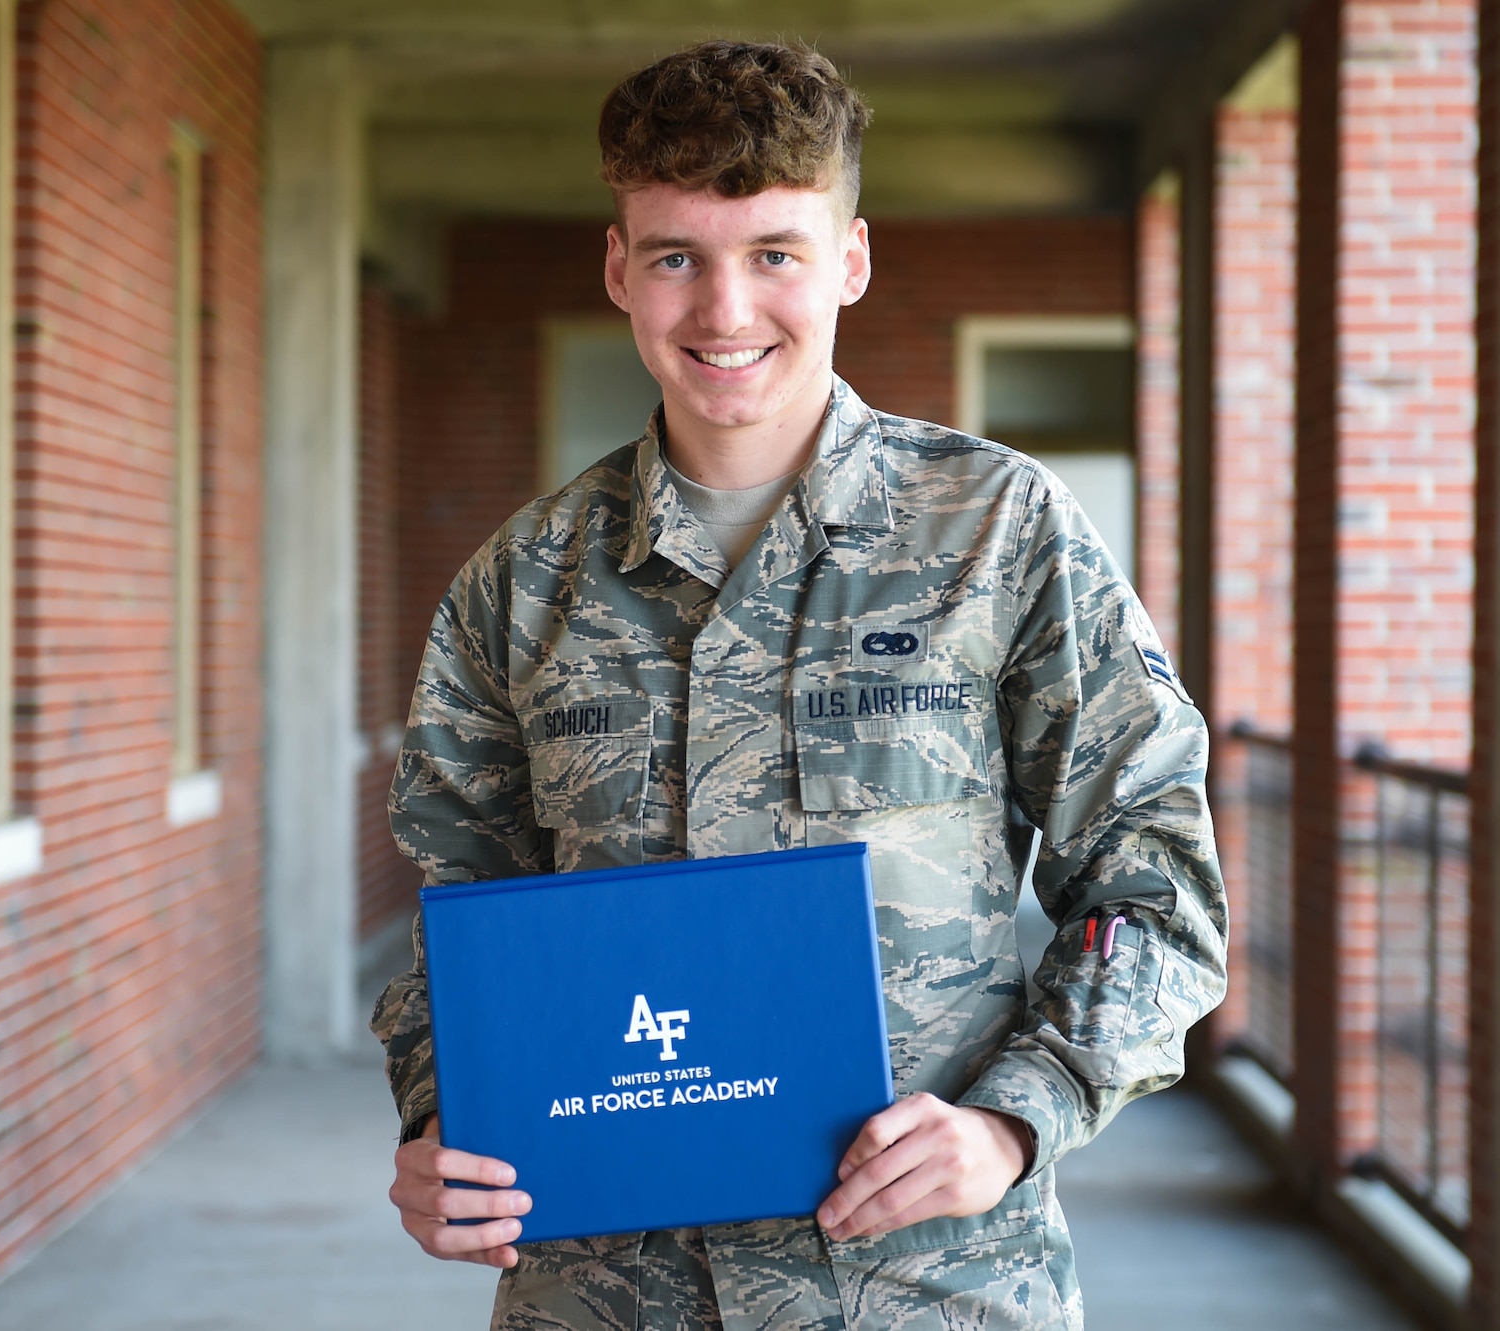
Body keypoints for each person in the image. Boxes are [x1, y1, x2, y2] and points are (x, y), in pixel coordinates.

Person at [372, 39, 1226, 1331]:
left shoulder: (997, 534)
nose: (724, 312)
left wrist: (1013, 1119)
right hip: (605, 1295)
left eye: (775, 253)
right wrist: (445, 1127)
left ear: (851, 261)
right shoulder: (522, 585)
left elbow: (1155, 881)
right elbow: (454, 916)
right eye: (676, 257)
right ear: (618, 270)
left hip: (926, 1290)